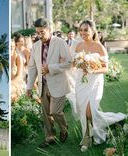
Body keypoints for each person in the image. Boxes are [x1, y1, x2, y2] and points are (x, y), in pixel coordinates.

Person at [74, 20, 126, 152]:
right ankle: (90, 135)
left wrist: (91, 70)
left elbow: (105, 68)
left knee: (90, 112)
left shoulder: (99, 47)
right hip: (81, 82)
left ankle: (90, 136)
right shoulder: (78, 46)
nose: (83, 32)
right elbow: (74, 64)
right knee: (84, 112)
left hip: (95, 82)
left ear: (92, 31)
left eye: (86, 30)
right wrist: (79, 64)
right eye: (81, 30)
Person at [26, 18, 72, 148]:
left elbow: (68, 63)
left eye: (42, 32)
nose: (39, 35)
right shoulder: (35, 46)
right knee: (46, 114)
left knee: (56, 111)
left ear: (49, 29)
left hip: (58, 83)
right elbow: (32, 68)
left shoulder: (60, 42)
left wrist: (50, 68)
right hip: (42, 85)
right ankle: (50, 137)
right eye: (37, 33)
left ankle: (64, 129)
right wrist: (29, 87)